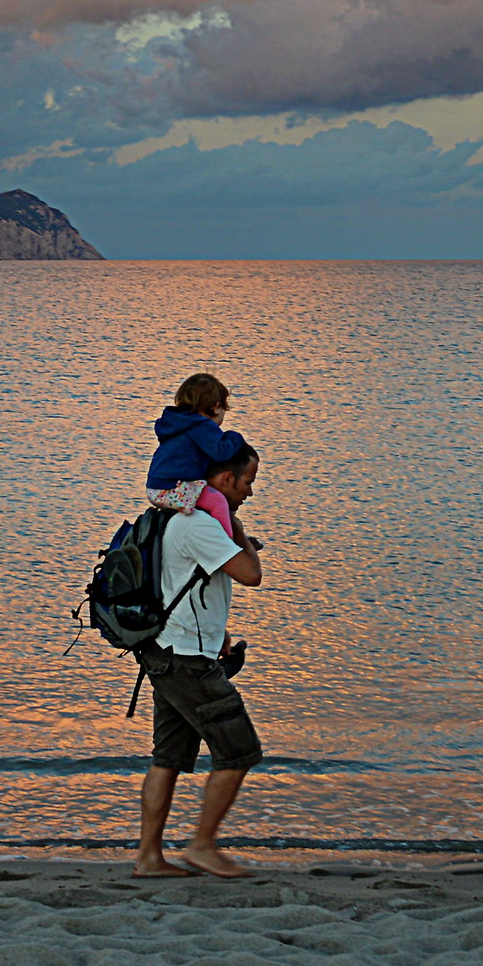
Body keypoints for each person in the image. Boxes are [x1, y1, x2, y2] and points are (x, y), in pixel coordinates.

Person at [133, 443, 265, 880]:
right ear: (225, 479)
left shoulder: (181, 519)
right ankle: (202, 845)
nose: (249, 491)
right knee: (239, 749)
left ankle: (149, 859)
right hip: (187, 663)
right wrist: (240, 533)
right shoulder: (201, 525)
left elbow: (187, 586)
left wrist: (217, 634)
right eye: (247, 482)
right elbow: (251, 575)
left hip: (170, 653)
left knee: (168, 758)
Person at [146, 374, 249, 531]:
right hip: (171, 488)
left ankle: (227, 529)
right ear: (215, 406)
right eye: (223, 410)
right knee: (217, 501)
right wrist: (235, 437)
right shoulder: (201, 425)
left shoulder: (177, 424)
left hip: (156, 487)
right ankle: (227, 542)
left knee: (209, 494)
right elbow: (221, 452)